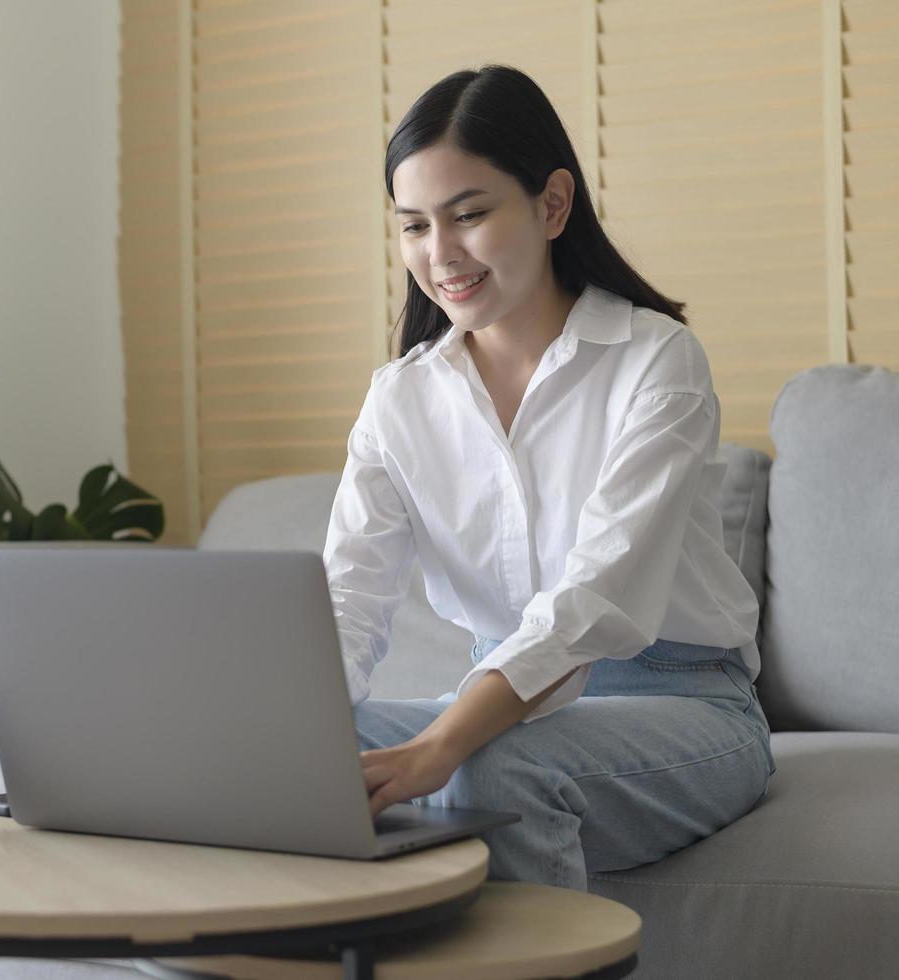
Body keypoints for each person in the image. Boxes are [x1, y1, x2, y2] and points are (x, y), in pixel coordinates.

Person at [324, 64, 777, 891]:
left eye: (468, 215)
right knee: (298, 753)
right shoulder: (401, 399)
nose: (439, 253)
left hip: (680, 703)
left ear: (552, 204)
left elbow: (592, 599)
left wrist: (447, 740)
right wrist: (296, 721)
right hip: (497, 700)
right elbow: (347, 599)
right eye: (413, 226)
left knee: (494, 773)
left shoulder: (655, 363)